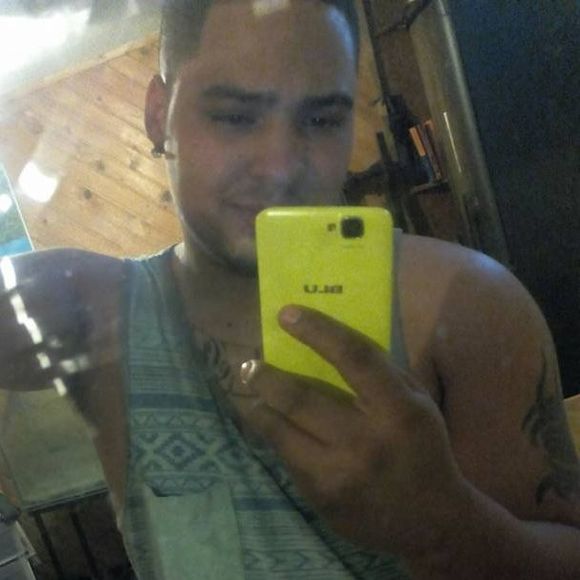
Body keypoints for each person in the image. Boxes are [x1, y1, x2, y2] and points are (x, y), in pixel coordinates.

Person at [1, 0, 579, 578]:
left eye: (322, 120)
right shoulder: (88, 307)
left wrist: (446, 526)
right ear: (159, 115)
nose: (279, 167)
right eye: (234, 116)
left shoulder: (468, 304)